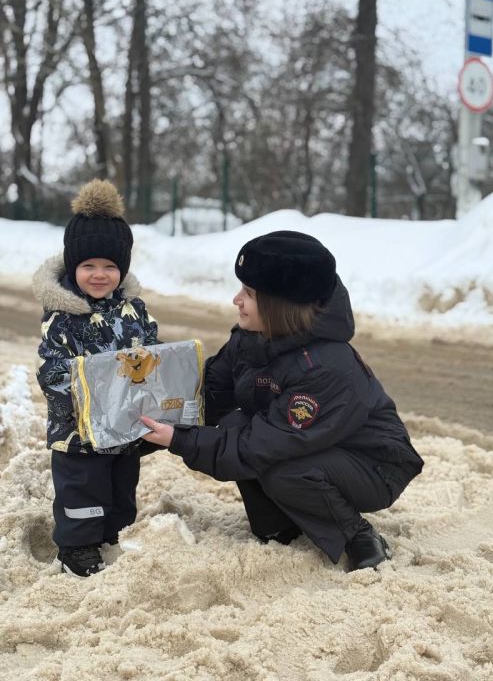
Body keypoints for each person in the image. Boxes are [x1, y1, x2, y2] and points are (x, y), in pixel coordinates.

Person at [141, 230, 424, 570]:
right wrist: (144, 412)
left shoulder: (325, 367)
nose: (236, 300)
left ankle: (357, 535)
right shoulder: (252, 338)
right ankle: (280, 526)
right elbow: (208, 393)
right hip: (310, 445)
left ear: (280, 305)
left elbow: (256, 448)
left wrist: (178, 439)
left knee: (283, 470)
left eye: (248, 293)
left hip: (374, 464)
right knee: (233, 425)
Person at [33, 179, 159, 577]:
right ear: (73, 267)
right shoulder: (62, 317)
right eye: (89, 266)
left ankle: (111, 535)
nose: (100, 274)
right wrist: (84, 399)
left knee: (122, 488)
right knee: (82, 489)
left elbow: (152, 353)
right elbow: (51, 369)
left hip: (123, 428)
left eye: (110, 266)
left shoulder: (134, 309)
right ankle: (77, 547)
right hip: (79, 432)